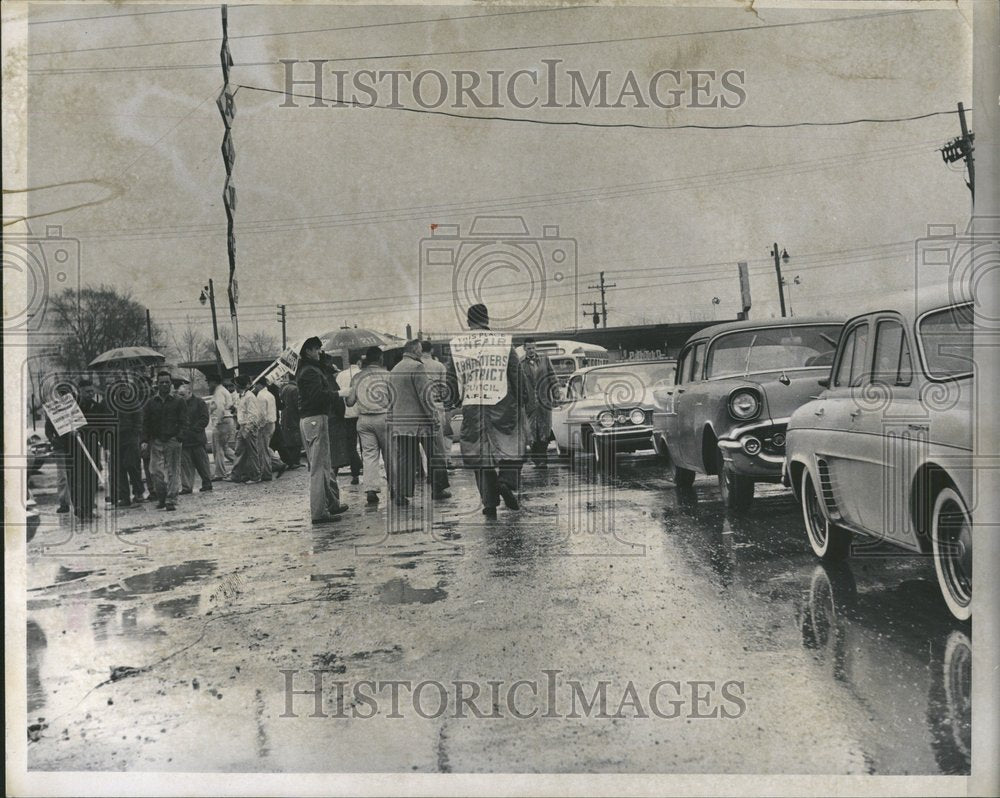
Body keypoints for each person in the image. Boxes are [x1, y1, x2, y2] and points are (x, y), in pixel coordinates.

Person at [446, 304, 532, 518]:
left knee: (480, 455)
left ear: (468, 322)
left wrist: (453, 400)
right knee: (511, 446)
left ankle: (489, 503)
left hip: (473, 407)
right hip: (503, 404)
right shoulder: (503, 342)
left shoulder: (457, 346)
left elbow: (450, 380)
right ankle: (505, 482)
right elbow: (515, 372)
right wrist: (524, 399)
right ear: (487, 319)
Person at [388, 339, 451, 505]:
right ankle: (438, 489)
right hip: (421, 422)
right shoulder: (417, 367)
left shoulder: (394, 369)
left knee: (405, 459)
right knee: (435, 454)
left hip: (402, 422)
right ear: (415, 350)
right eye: (420, 350)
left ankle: (401, 494)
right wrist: (434, 418)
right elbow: (425, 396)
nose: (421, 353)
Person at [297, 337, 349, 523]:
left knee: (325, 464)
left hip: (313, 419)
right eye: (317, 349)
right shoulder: (310, 372)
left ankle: (332, 502)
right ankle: (319, 512)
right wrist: (339, 394)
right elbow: (317, 396)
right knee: (319, 467)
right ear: (308, 350)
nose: (320, 352)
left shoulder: (308, 369)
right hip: (315, 419)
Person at [346, 345, 391, 505]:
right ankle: (395, 488)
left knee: (369, 456)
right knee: (389, 455)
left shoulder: (357, 377)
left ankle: (371, 489)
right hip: (384, 417)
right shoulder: (387, 375)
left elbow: (349, 402)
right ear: (380, 358)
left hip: (364, 420)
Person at [142, 370, 186, 511]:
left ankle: (171, 499)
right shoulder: (151, 403)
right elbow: (146, 423)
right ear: (157, 384)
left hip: (173, 440)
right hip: (156, 441)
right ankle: (161, 496)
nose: (165, 385)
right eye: (162, 382)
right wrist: (144, 440)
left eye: (167, 382)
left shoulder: (179, 401)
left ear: (171, 384)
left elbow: (184, 421)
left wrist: (179, 436)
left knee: (173, 470)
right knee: (155, 471)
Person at [521, 338, 558, 468]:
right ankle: (537, 459)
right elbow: (518, 383)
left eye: (533, 347)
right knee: (531, 431)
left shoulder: (544, 360)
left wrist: (556, 394)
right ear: (524, 348)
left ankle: (543, 459)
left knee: (544, 429)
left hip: (544, 401)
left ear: (536, 348)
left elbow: (552, 376)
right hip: (529, 403)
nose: (531, 350)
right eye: (529, 348)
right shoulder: (521, 363)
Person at [107, 381, 145, 507]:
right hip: (116, 439)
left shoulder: (132, 403)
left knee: (131, 464)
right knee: (119, 469)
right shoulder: (110, 404)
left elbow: (139, 419)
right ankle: (124, 497)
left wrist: (136, 434)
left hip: (130, 437)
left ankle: (138, 493)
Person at [421, 340, 453, 471]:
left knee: (423, 441)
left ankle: (424, 469)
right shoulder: (439, 366)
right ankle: (440, 469)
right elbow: (444, 388)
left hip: (420, 406)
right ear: (432, 350)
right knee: (439, 440)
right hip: (437, 404)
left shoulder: (417, 365)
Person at [177, 382, 213, 494]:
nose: (180, 396)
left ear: (189, 392)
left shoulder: (199, 402)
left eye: (182, 394)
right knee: (185, 465)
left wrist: (194, 429)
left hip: (197, 439)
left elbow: (204, 419)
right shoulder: (178, 404)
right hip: (184, 440)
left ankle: (207, 483)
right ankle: (187, 487)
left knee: (202, 463)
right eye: (179, 394)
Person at [335, 353, 364, 485]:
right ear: (358, 362)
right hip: (362, 413)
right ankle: (367, 472)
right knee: (366, 446)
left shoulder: (341, 375)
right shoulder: (363, 373)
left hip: (347, 414)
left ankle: (355, 474)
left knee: (351, 445)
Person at [230, 375, 263, 483]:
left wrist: (248, 428)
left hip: (248, 427)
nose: (233, 387)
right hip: (243, 426)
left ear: (239, 385)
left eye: (235, 384)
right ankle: (237, 475)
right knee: (239, 451)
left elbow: (253, 414)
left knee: (252, 452)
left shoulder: (249, 397)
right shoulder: (242, 396)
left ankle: (256, 476)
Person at [253, 381, 286, 481]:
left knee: (262, 449)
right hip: (272, 423)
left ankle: (266, 473)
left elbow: (262, 413)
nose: (255, 387)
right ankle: (278, 463)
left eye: (256, 385)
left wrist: (259, 425)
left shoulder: (260, 396)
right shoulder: (270, 394)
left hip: (265, 424)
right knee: (265, 447)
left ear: (260, 384)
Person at [207, 375, 236, 480]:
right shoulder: (222, 391)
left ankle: (220, 473)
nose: (208, 385)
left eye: (209, 382)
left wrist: (217, 422)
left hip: (222, 420)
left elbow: (220, 408)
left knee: (218, 448)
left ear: (214, 382)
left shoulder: (219, 392)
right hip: (227, 420)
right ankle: (242, 463)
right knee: (224, 447)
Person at [278, 374, 302, 468]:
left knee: (288, 438)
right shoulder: (295, 389)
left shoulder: (285, 388)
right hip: (294, 417)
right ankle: (295, 460)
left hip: (286, 416)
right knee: (296, 439)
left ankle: (290, 460)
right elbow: (297, 404)